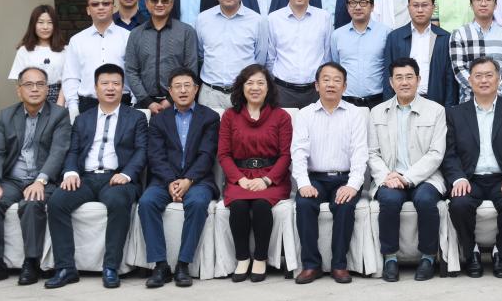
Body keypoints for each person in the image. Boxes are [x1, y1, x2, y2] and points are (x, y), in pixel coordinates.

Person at [45, 64, 147, 289]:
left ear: (123, 88)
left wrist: (127, 174)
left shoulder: (136, 117)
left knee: (118, 201)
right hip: (86, 177)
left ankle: (111, 267)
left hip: (116, 178)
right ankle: (65, 268)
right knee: (57, 202)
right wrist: (71, 172)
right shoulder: (83, 119)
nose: (110, 88)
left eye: (116, 84)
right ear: (95, 88)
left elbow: (142, 151)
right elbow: (72, 151)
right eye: (105, 83)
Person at [0, 67, 71, 286]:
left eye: (40, 84)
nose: (35, 89)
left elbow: (58, 152)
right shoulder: (7, 115)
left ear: (47, 89)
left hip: (43, 179)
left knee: (31, 203)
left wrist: (40, 181)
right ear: (19, 90)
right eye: (28, 85)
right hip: (12, 180)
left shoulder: (59, 115)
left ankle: (31, 262)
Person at [442, 58, 502, 278]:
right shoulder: (455, 114)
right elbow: (449, 155)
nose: (484, 80)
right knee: (459, 203)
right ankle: (471, 252)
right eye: (478, 76)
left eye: (489, 75)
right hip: (470, 178)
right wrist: (458, 178)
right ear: (469, 81)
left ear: (498, 79)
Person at [138, 69, 220, 288]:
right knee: (146, 202)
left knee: (198, 202)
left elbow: (207, 154)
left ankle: (183, 264)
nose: (183, 90)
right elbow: (155, 156)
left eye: (187, 85)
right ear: (170, 91)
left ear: (196, 89)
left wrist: (188, 180)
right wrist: (170, 182)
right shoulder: (158, 120)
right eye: (177, 86)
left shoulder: (210, 117)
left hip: (198, 180)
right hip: (164, 180)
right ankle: (160, 265)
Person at [368, 58, 447, 282]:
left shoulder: (436, 111)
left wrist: (407, 177)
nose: (404, 82)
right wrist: (387, 176)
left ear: (419, 80)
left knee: (425, 200)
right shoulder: (377, 112)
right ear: (391, 82)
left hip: (426, 177)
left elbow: (436, 153)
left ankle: (428, 257)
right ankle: (390, 258)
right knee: (389, 200)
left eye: (409, 77)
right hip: (390, 177)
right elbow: (372, 153)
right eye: (399, 78)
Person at [291, 62, 368, 284]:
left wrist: (352, 185)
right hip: (315, 178)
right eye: (326, 80)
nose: (331, 84)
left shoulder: (355, 114)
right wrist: (303, 183)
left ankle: (339, 265)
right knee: (304, 204)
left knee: (345, 205)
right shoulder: (305, 115)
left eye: (336, 80)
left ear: (344, 86)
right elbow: (298, 152)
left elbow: (360, 153)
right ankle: (311, 265)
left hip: (345, 177)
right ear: (317, 85)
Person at [218, 64, 293, 283]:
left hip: (271, 177)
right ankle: (242, 258)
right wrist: (240, 179)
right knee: (239, 206)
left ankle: (260, 258)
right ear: (241, 87)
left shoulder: (281, 116)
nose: (255, 88)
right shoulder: (230, 116)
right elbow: (224, 154)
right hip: (240, 176)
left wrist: (266, 180)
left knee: (261, 205)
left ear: (268, 88)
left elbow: (286, 155)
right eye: (249, 83)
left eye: (261, 83)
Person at [195, 0, 267, 111]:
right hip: (210, 94)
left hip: (244, 93)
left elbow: (260, 58)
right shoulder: (202, 19)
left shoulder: (257, 21)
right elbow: (200, 53)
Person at [124, 0, 198, 114]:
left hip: (179, 102)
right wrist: (148, 102)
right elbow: (131, 71)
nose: (159, 4)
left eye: (164, 1)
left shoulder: (186, 32)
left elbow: (191, 69)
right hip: (144, 104)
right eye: (154, 1)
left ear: (172, 3)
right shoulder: (136, 34)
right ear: (146, 3)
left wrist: (170, 100)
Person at [266, 0, 334, 108]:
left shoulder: (324, 18)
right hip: (282, 91)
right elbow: (270, 58)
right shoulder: (273, 19)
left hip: (315, 91)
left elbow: (328, 55)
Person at [383, 0, 458, 107]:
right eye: (415, 5)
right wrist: (389, 105)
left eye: (425, 5)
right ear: (408, 8)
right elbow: (388, 74)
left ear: (433, 8)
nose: (420, 10)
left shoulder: (445, 37)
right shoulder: (395, 37)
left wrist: (449, 108)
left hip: (435, 102)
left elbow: (450, 78)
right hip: (402, 101)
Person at [62, 0, 131, 118]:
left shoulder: (128, 37)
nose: (101, 7)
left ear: (114, 7)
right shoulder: (77, 40)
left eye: (106, 3)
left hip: (123, 103)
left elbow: (135, 73)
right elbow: (71, 76)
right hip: (87, 105)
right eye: (95, 4)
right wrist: (73, 107)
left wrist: (134, 102)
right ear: (88, 10)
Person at [449, 0, 502, 103]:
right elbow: (458, 68)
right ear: (471, 5)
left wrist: (497, 91)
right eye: (478, 0)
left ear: (495, 5)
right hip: (469, 101)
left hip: (501, 101)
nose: (483, 4)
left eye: (488, 0)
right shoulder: (459, 34)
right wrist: (479, 90)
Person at [331, 0, 391, 109]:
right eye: (353, 3)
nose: (358, 7)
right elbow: (336, 66)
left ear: (372, 6)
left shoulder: (386, 33)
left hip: (378, 101)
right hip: (346, 101)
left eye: (363, 3)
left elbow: (389, 67)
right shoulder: (337, 35)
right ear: (347, 7)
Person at [8, 5, 67, 106]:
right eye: (40, 22)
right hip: (32, 97)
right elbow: (18, 80)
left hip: (59, 98)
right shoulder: (24, 50)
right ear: (33, 25)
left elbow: (68, 79)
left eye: (50, 22)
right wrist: (28, 102)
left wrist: (59, 106)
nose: (45, 27)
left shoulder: (65, 50)